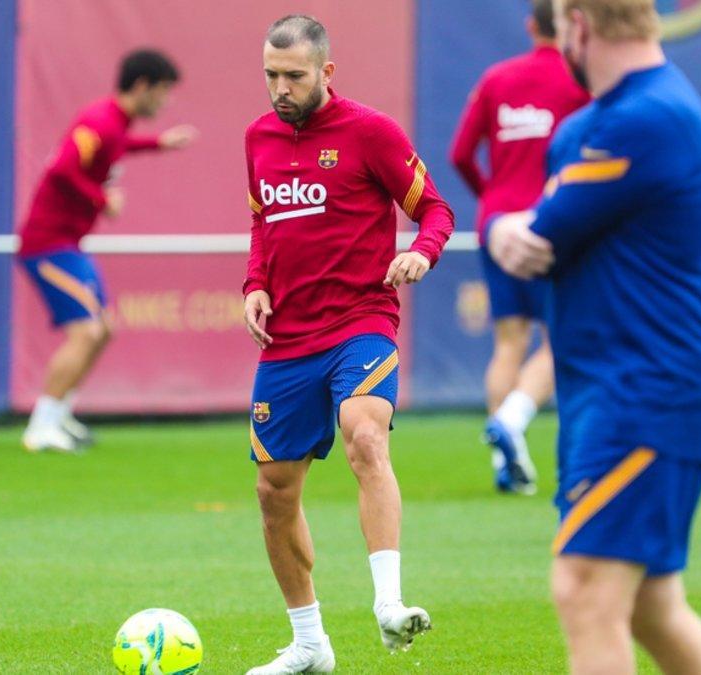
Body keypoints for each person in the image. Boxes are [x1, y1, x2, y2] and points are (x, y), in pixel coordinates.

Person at [490, 0, 701, 672]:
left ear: (581, 27)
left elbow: (533, 238)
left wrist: (507, 228)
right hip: (611, 389)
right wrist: (510, 231)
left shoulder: (643, 119)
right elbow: (535, 237)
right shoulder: (602, 123)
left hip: (645, 392)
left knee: (585, 589)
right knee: (653, 605)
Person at [241, 15, 454, 674]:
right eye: (272, 75)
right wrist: (254, 283)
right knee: (275, 493)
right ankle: (309, 644)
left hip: (361, 321)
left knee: (366, 432)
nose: (281, 88)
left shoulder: (371, 133)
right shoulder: (257, 138)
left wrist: (421, 252)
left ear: (326, 72)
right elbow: (261, 222)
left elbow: (436, 209)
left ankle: (388, 602)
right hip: (287, 339)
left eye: (294, 76)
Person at [17, 49, 196, 453]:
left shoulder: (116, 124)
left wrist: (159, 144)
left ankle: (59, 416)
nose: (165, 102)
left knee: (103, 330)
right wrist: (101, 199)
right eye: (163, 92)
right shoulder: (99, 120)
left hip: (68, 245)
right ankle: (40, 428)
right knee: (87, 331)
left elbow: (118, 146)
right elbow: (62, 167)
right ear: (142, 86)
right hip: (47, 245)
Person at [449, 0, 589, 494]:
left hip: (497, 221)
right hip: (551, 220)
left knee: (509, 341)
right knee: (563, 338)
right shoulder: (578, 78)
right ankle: (512, 420)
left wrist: (490, 197)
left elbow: (460, 153)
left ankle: (504, 463)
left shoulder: (497, 78)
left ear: (531, 26)